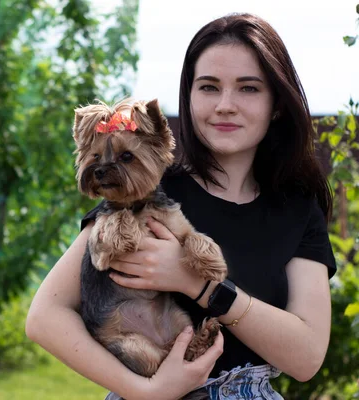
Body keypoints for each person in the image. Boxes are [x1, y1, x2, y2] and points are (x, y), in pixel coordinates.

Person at [26, 12, 336, 400]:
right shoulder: (147, 186)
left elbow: (306, 357)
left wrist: (198, 284)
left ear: (276, 104)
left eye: (248, 88)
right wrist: (143, 390)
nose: (225, 105)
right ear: (188, 98)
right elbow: (45, 317)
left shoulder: (297, 210)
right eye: (208, 87)